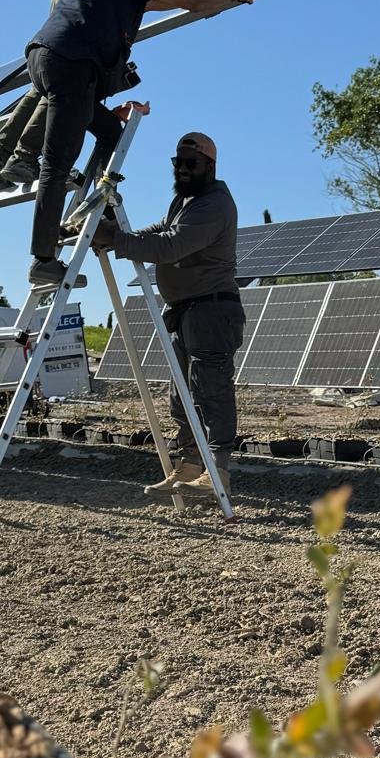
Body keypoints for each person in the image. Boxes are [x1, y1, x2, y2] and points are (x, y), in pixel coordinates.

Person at [23, 0, 254, 290]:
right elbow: (191, 0)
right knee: (56, 164)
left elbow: (164, 0)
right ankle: (43, 261)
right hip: (73, 63)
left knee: (111, 132)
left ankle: (92, 213)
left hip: (50, 59)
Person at [92, 131, 242, 504]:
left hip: (211, 308)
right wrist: (116, 236)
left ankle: (217, 471)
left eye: (191, 163)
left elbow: (171, 245)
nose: (183, 169)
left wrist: (116, 239)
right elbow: (159, 230)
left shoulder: (214, 204)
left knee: (212, 392)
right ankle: (192, 465)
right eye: (178, 163)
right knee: (183, 394)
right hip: (185, 310)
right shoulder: (185, 201)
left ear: (210, 164)